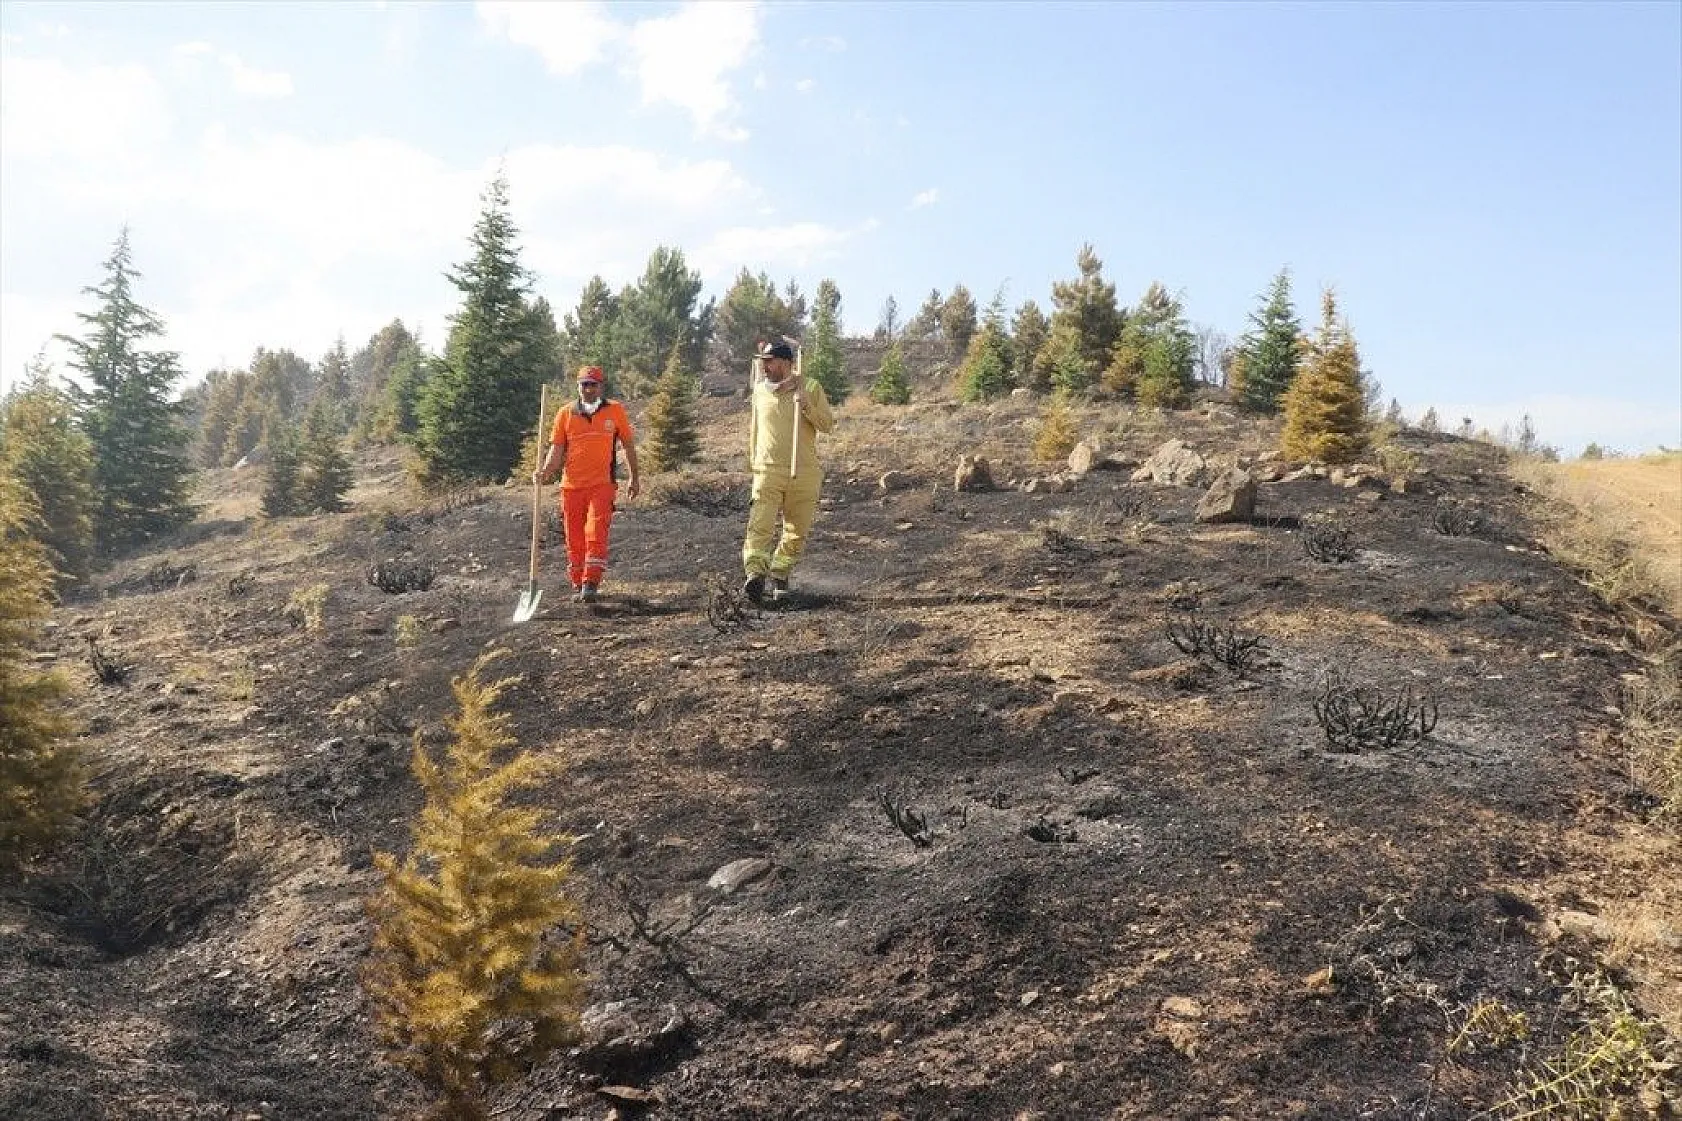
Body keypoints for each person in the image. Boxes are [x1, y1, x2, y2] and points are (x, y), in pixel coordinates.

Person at [534, 366, 640, 602]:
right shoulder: (565, 413)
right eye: (584, 384)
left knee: (595, 530)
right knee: (574, 537)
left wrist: (634, 477)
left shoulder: (615, 410)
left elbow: (628, 445)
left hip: (602, 484)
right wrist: (544, 471)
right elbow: (556, 450)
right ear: (578, 386)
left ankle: (590, 582)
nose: (588, 389)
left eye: (593, 384)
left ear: (601, 387)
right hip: (571, 486)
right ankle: (577, 581)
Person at [741, 339, 835, 604]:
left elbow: (827, 425)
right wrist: (754, 462)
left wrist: (806, 405)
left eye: (769, 361)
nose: (764, 367)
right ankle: (755, 575)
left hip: (803, 472)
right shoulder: (760, 391)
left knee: (796, 530)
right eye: (762, 361)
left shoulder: (811, 387)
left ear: (785, 363)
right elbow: (755, 429)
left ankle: (780, 574)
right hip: (767, 470)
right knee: (760, 524)